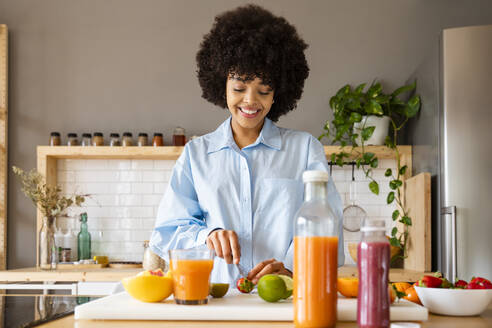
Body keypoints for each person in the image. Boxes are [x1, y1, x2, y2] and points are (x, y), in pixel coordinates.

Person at [149, 4, 344, 285]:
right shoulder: (196, 154)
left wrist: (290, 268)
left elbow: (327, 224)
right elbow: (168, 230)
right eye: (239, 88)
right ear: (221, 85)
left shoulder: (304, 150)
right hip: (215, 302)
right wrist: (208, 235)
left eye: (263, 90)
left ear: (278, 93)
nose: (251, 101)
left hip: (284, 300)